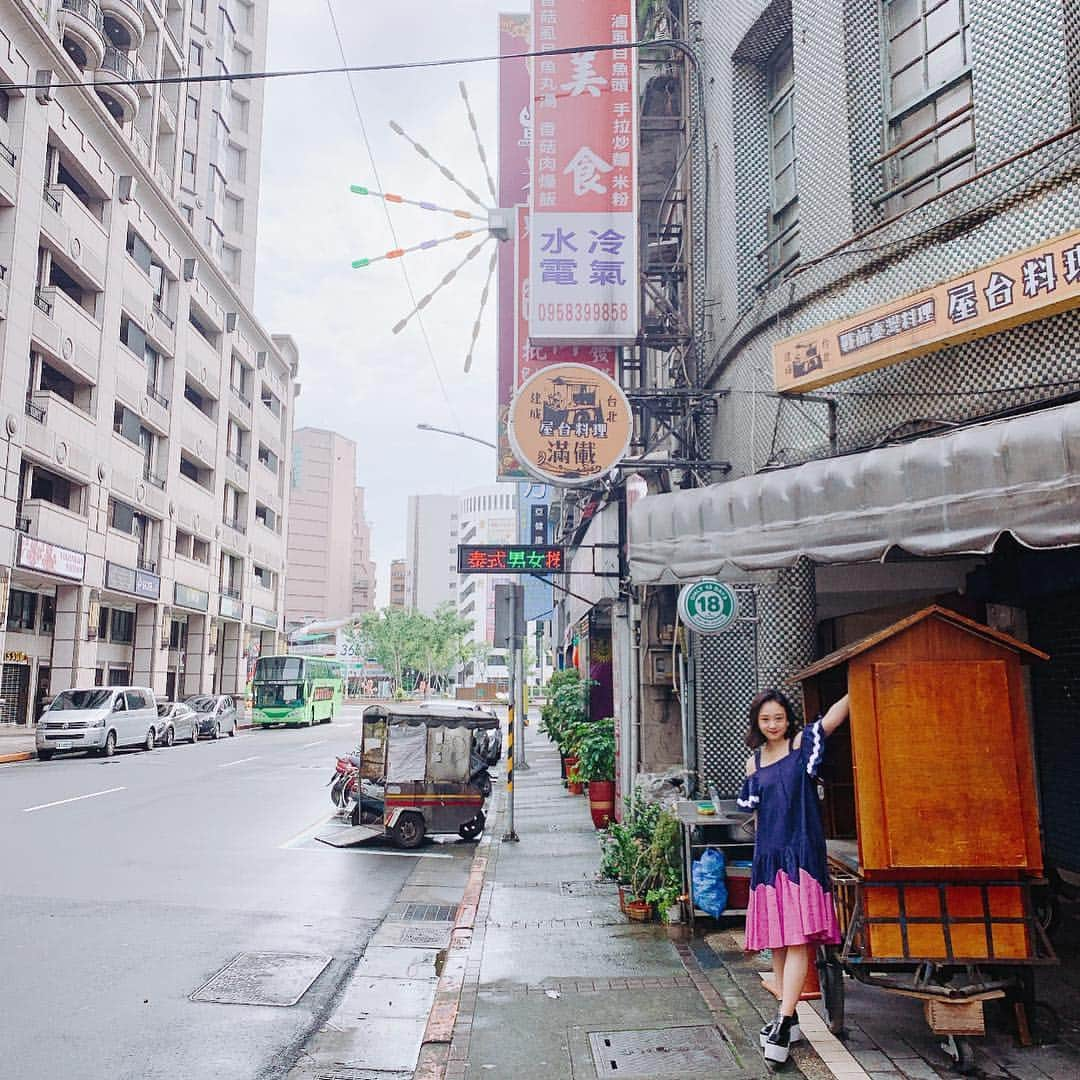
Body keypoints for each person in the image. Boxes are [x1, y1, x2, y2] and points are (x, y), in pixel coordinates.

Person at [737, 688, 850, 1066]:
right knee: (780, 943)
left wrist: (857, 681)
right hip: (769, 857)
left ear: (788, 720)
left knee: (799, 938)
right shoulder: (754, 762)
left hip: (801, 850)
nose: (772, 725)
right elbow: (757, 814)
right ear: (757, 722)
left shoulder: (802, 745)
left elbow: (834, 716)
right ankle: (790, 1015)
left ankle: (784, 1022)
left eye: (778, 718)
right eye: (766, 719)